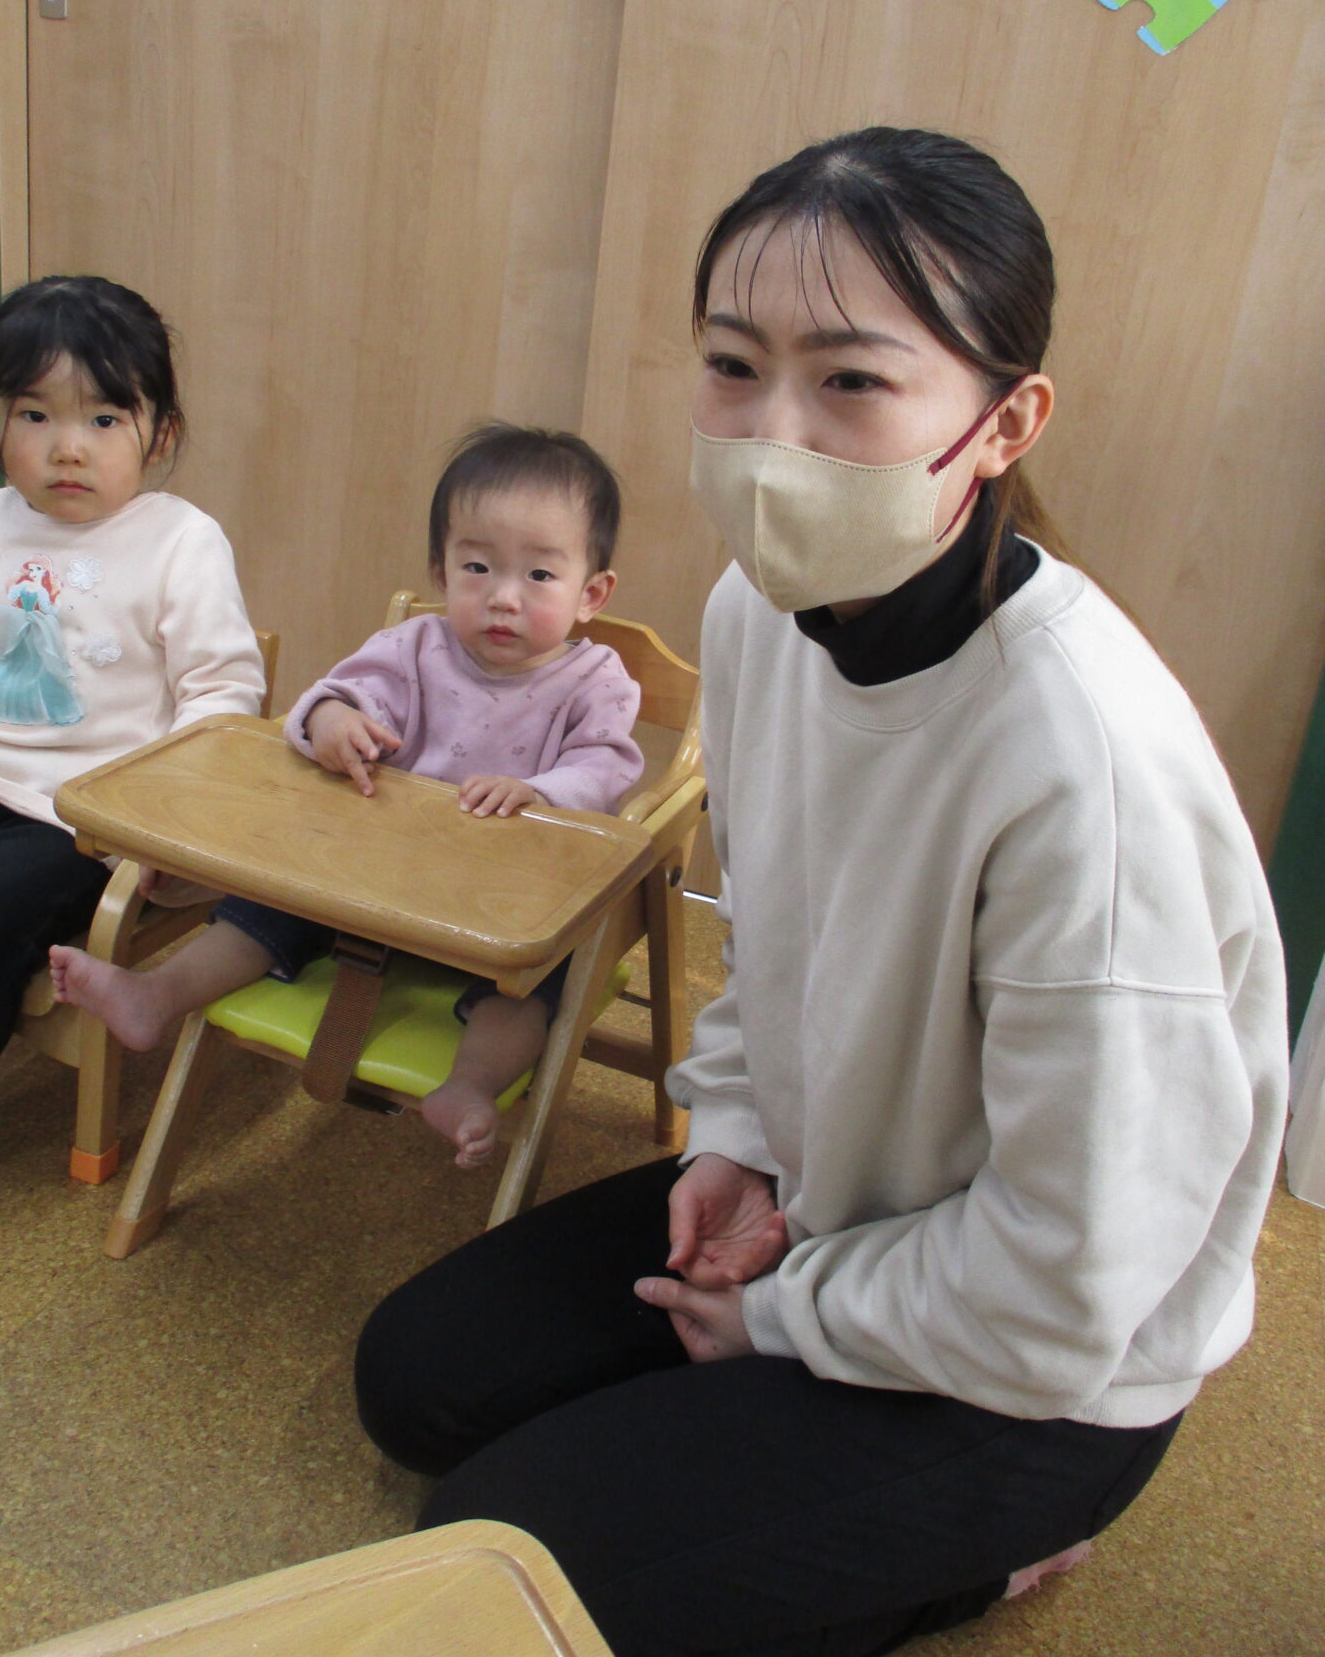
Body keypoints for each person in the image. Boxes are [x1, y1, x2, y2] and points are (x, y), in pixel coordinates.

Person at [349, 129, 1289, 1656]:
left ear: (1004, 422)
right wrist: (735, 1140)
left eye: (851, 381)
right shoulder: (761, 612)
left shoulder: (1086, 768)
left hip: (1041, 1365)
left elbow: (1073, 1282)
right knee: (419, 1383)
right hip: (830, 1202)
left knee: (497, 1571)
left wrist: (786, 1318)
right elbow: (774, 944)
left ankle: (998, 1554)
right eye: (734, 367)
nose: (772, 437)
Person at [52, 422, 644, 1169]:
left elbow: (607, 767)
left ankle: (470, 1084)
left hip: (502, 908)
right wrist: (333, 723)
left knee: (538, 983)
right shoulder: (412, 649)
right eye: (477, 566)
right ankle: (156, 995)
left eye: (538, 576)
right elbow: (331, 699)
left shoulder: (596, 681)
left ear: (592, 593)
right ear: (440, 571)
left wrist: (540, 791)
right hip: (371, 886)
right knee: (265, 903)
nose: (502, 597)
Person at [0, 275, 265, 1236]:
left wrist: (168, 829)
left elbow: (222, 697)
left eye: (103, 418)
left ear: (160, 434)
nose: (68, 447)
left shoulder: (179, 541)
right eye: (35, 415)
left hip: (72, 814)